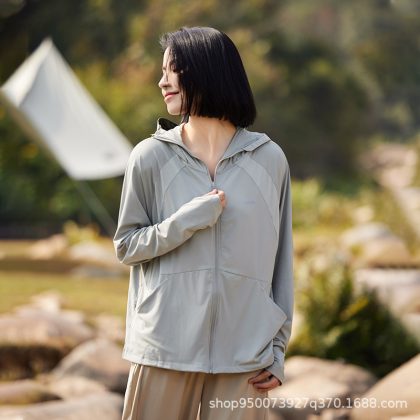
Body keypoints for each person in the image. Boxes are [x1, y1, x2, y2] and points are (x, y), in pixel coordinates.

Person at [114, 26, 294, 420]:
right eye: (162, 72)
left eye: (172, 70)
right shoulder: (149, 157)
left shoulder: (270, 160)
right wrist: (185, 221)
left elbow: (281, 263)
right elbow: (126, 246)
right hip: (163, 350)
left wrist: (277, 350)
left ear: (206, 71)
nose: (162, 81)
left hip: (246, 357)